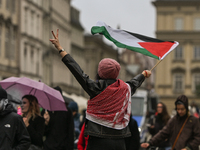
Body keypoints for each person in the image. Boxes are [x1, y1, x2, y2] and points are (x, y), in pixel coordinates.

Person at [50, 29, 151, 150]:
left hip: (97, 142)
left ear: (100, 72)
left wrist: (60, 48)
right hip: (119, 142)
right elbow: (135, 82)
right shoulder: (125, 89)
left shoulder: (95, 88)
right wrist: (144, 74)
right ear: (117, 73)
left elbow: (77, 71)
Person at [42, 86, 74, 150]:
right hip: (48, 147)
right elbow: (43, 132)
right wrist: (46, 122)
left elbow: (70, 132)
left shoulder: (67, 111)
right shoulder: (46, 111)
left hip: (62, 147)